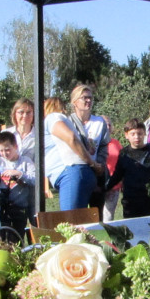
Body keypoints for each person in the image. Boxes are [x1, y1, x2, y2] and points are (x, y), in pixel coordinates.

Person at [45, 91, 103, 211]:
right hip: (78, 173)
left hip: (71, 172)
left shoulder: (53, 117)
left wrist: (92, 163)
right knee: (79, 220)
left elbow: (71, 138)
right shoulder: (65, 120)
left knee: (71, 220)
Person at [68, 84, 110, 213]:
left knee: (96, 213)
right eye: (84, 98)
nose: (88, 100)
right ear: (75, 101)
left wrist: (100, 165)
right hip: (76, 172)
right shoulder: (67, 122)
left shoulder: (100, 122)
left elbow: (104, 145)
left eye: (90, 98)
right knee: (77, 213)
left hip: (96, 173)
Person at [106, 119, 150, 218]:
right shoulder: (124, 154)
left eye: (140, 133)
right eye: (133, 134)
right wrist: (103, 188)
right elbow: (117, 175)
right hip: (131, 202)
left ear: (145, 133)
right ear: (126, 135)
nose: (137, 137)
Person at [0, 131, 36, 235]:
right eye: (1, 151)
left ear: (15, 147)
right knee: (2, 233)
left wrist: (20, 174)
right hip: (2, 206)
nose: (4, 153)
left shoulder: (25, 161)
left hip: (19, 207)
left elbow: (35, 179)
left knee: (17, 233)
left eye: (7, 150)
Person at [101, 117, 123, 220]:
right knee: (96, 214)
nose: (108, 127)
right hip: (98, 185)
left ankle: (107, 230)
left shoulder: (116, 143)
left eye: (109, 124)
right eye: (105, 124)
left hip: (114, 185)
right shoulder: (94, 143)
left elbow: (123, 162)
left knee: (108, 216)